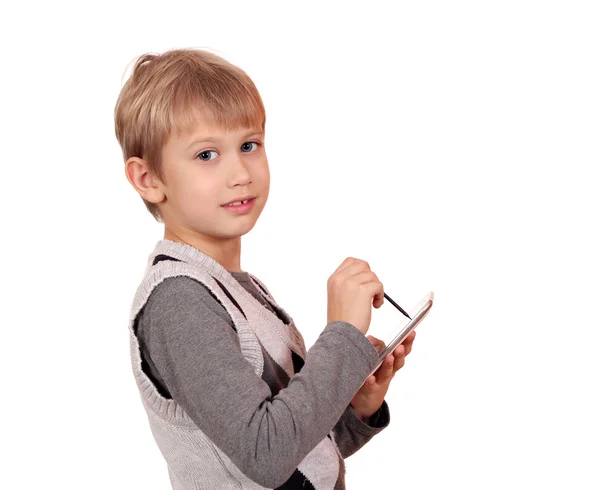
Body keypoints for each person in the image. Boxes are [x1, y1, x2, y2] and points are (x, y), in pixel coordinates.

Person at [114, 47, 417, 490]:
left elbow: (299, 458)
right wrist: (342, 335)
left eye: (249, 145)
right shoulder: (179, 301)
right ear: (149, 179)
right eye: (206, 155)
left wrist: (356, 405)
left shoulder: (238, 290)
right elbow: (266, 454)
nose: (240, 172)